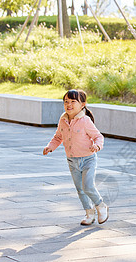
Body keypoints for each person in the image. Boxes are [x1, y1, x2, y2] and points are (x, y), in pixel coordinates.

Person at [43, 89, 108, 226]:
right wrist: (50, 147)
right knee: (80, 189)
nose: (69, 105)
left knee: (88, 186)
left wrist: (97, 145)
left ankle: (101, 206)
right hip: (72, 160)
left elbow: (98, 136)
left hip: (88, 159)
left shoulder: (85, 121)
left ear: (82, 104)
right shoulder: (63, 119)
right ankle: (89, 214)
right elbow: (58, 137)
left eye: (73, 101)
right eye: (66, 101)